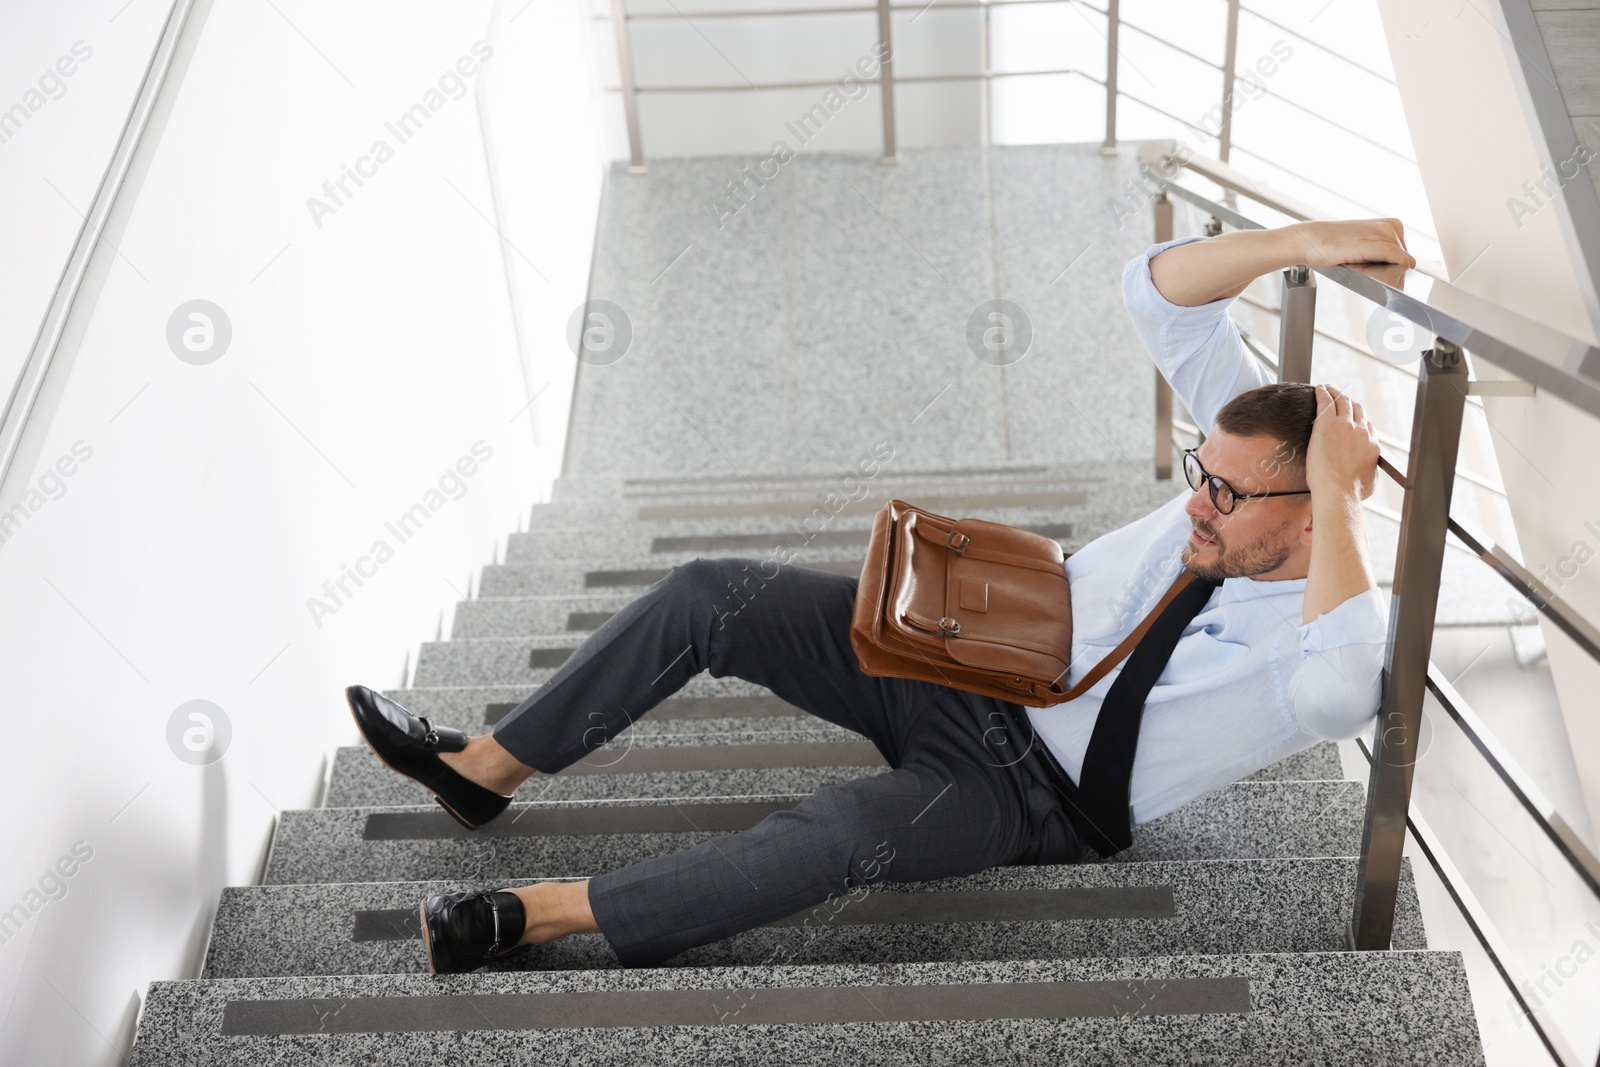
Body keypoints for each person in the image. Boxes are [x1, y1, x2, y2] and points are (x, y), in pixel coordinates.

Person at [346, 217, 1411, 974]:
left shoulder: (1326, 627)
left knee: (835, 830)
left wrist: (1339, 503)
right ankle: (483, 767)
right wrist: (1301, 244)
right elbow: (1153, 289)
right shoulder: (1236, 480)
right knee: (715, 593)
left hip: (1029, 793)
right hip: (968, 659)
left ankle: (535, 918)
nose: (1196, 503)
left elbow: (1336, 699)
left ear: (1310, 509)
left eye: (1226, 493)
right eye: (1198, 470)